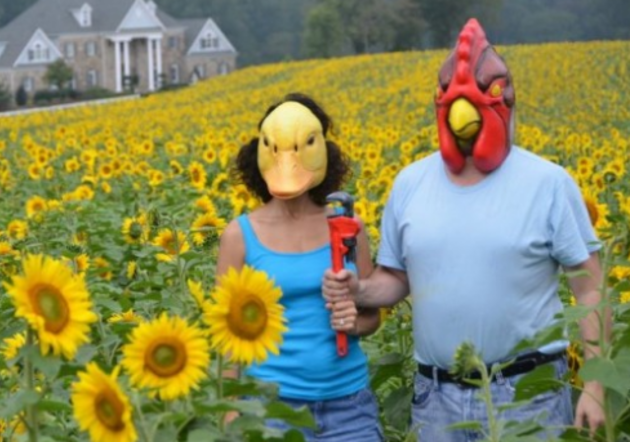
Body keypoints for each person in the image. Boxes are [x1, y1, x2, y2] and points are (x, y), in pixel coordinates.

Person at [323, 19, 608, 442]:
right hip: (437, 399)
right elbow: (396, 278)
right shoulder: (410, 184)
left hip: (528, 394)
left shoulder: (547, 182)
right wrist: (358, 290)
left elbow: (589, 287)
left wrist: (597, 389)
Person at [216, 92, 383, 441]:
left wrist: (354, 321)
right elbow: (228, 336)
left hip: (349, 406)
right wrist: (231, 409)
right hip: (269, 408)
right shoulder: (240, 236)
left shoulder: (349, 226)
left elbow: (371, 316)